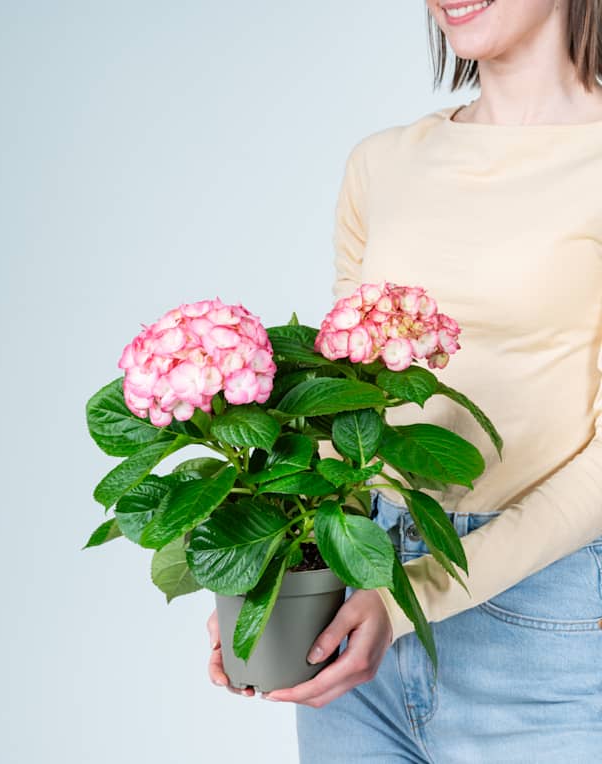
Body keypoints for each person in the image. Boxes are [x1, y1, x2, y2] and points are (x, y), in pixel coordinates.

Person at [208, 0, 602, 759]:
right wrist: (271, 579)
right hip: (359, 593)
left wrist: (408, 596)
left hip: (545, 622)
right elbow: (341, 401)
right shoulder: (382, 163)